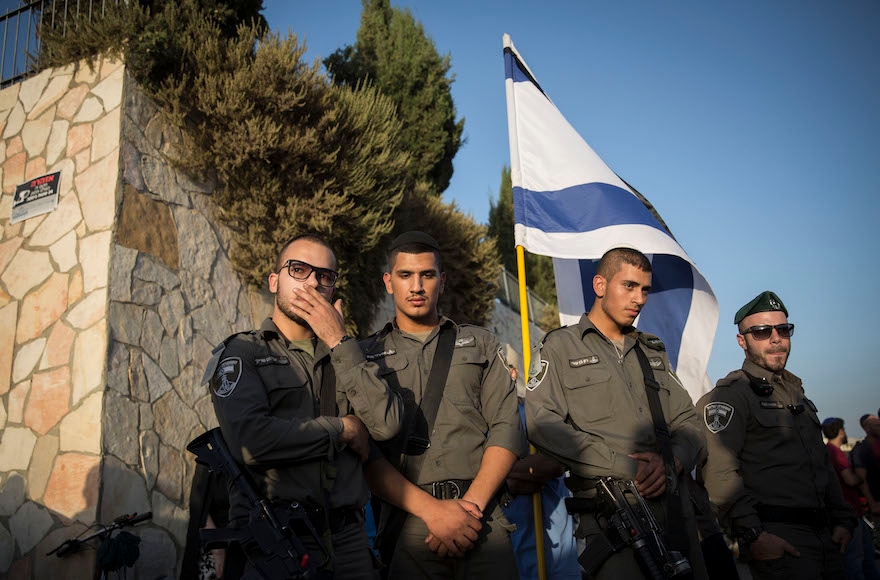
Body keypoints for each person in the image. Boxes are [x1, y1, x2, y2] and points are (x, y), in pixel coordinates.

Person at [207, 233, 402, 578]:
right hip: (280, 544)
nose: (313, 281)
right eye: (298, 269)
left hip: (350, 544)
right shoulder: (244, 353)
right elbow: (251, 440)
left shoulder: (347, 355)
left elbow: (387, 424)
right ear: (274, 281)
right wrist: (342, 428)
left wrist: (337, 339)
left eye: (324, 276)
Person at [525, 247, 708, 579]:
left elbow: (690, 422)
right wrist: (626, 466)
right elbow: (542, 423)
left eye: (645, 289)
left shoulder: (652, 351)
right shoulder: (560, 347)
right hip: (614, 520)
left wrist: (674, 460)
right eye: (629, 286)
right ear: (600, 285)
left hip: (675, 514)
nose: (639, 299)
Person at [360, 231, 526, 579]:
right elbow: (366, 453)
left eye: (427, 274)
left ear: (443, 280)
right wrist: (434, 513)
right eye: (405, 275)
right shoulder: (366, 359)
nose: (416, 286)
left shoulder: (480, 344)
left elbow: (507, 428)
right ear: (389, 282)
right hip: (410, 522)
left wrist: (471, 509)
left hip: (481, 518)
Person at [697, 290, 856, 580]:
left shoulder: (797, 394)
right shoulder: (730, 396)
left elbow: (822, 465)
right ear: (741, 341)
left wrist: (843, 520)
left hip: (827, 539)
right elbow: (719, 474)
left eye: (783, 329)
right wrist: (753, 535)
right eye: (761, 331)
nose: (775, 338)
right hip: (779, 539)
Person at [503, 366, 580, 580]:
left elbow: (557, 460)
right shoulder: (478, 420)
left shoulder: (538, 412)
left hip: (556, 556)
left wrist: (498, 470)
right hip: (509, 555)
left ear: (513, 373)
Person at [823, 418, 880, 580]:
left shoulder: (828, 451)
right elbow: (850, 480)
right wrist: (861, 474)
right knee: (855, 561)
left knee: (865, 558)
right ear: (841, 431)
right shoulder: (835, 452)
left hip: (850, 511)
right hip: (849, 512)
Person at [853, 414, 880, 518]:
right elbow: (861, 479)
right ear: (867, 428)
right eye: (876, 423)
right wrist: (872, 503)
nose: (878, 422)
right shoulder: (862, 449)